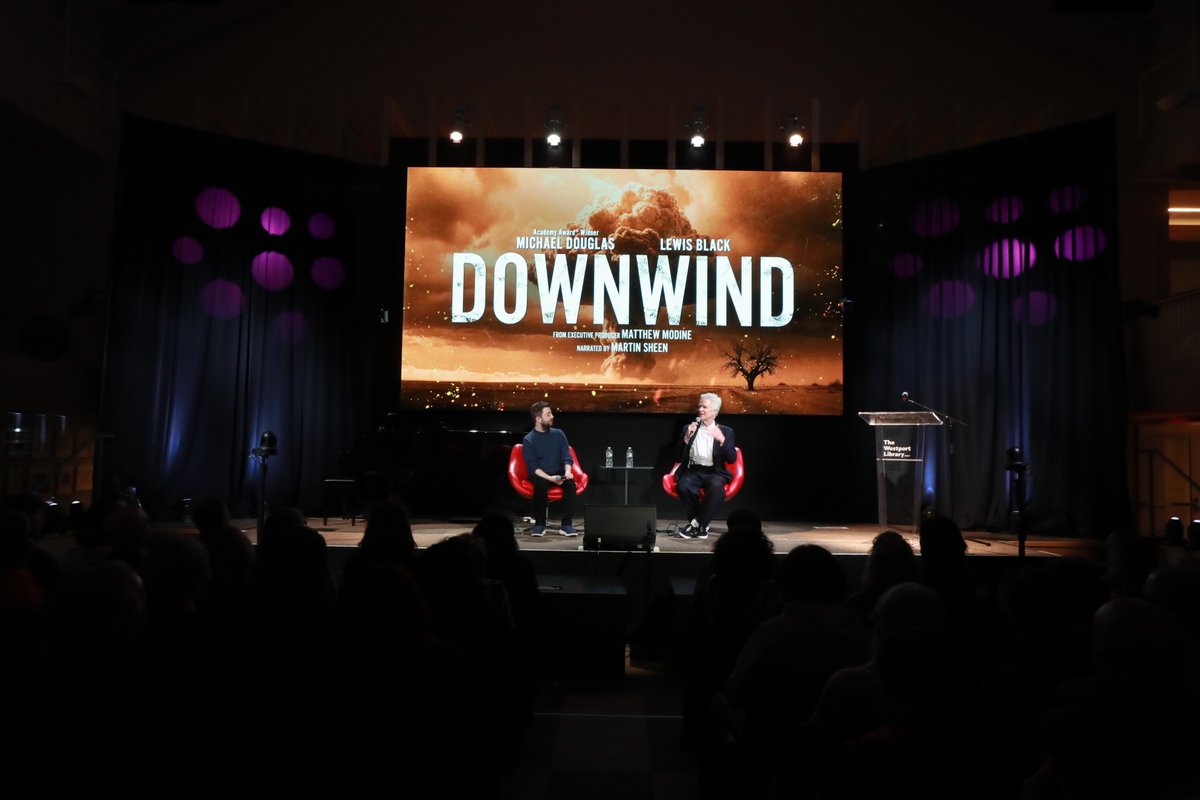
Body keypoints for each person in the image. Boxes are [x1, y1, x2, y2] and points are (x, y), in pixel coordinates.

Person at [674, 392, 736, 539]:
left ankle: (694, 525)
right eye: (699, 406)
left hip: (715, 472)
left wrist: (722, 440)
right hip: (694, 470)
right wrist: (686, 438)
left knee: (717, 489)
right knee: (683, 485)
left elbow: (732, 459)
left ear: (714, 411)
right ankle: (702, 525)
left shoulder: (726, 431)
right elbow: (677, 457)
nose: (700, 409)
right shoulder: (689, 428)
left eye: (704, 407)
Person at [521, 401, 577, 536]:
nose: (552, 416)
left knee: (570, 484)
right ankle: (540, 524)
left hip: (558, 472)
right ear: (538, 419)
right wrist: (550, 478)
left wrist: (567, 472)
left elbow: (567, 457)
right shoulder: (529, 439)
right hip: (540, 474)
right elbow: (533, 467)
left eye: (551, 413)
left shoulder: (559, 434)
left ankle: (566, 525)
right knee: (540, 485)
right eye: (548, 414)